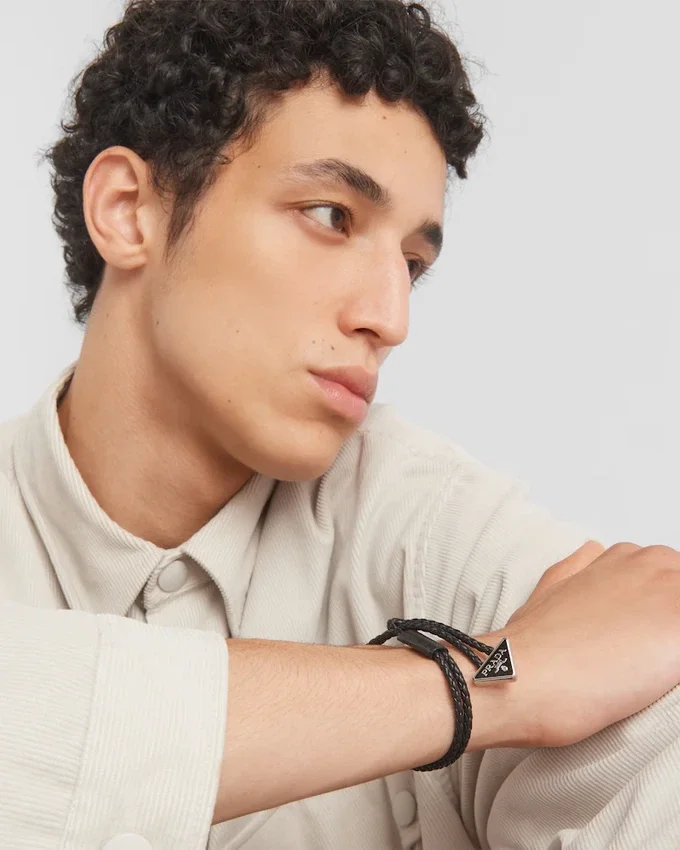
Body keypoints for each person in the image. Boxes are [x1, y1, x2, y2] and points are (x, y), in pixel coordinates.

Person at [1, 1, 679, 848]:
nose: (390, 318)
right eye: (331, 216)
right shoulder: (498, 646)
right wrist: (491, 683)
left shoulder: (433, 535)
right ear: (129, 209)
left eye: (412, 263)